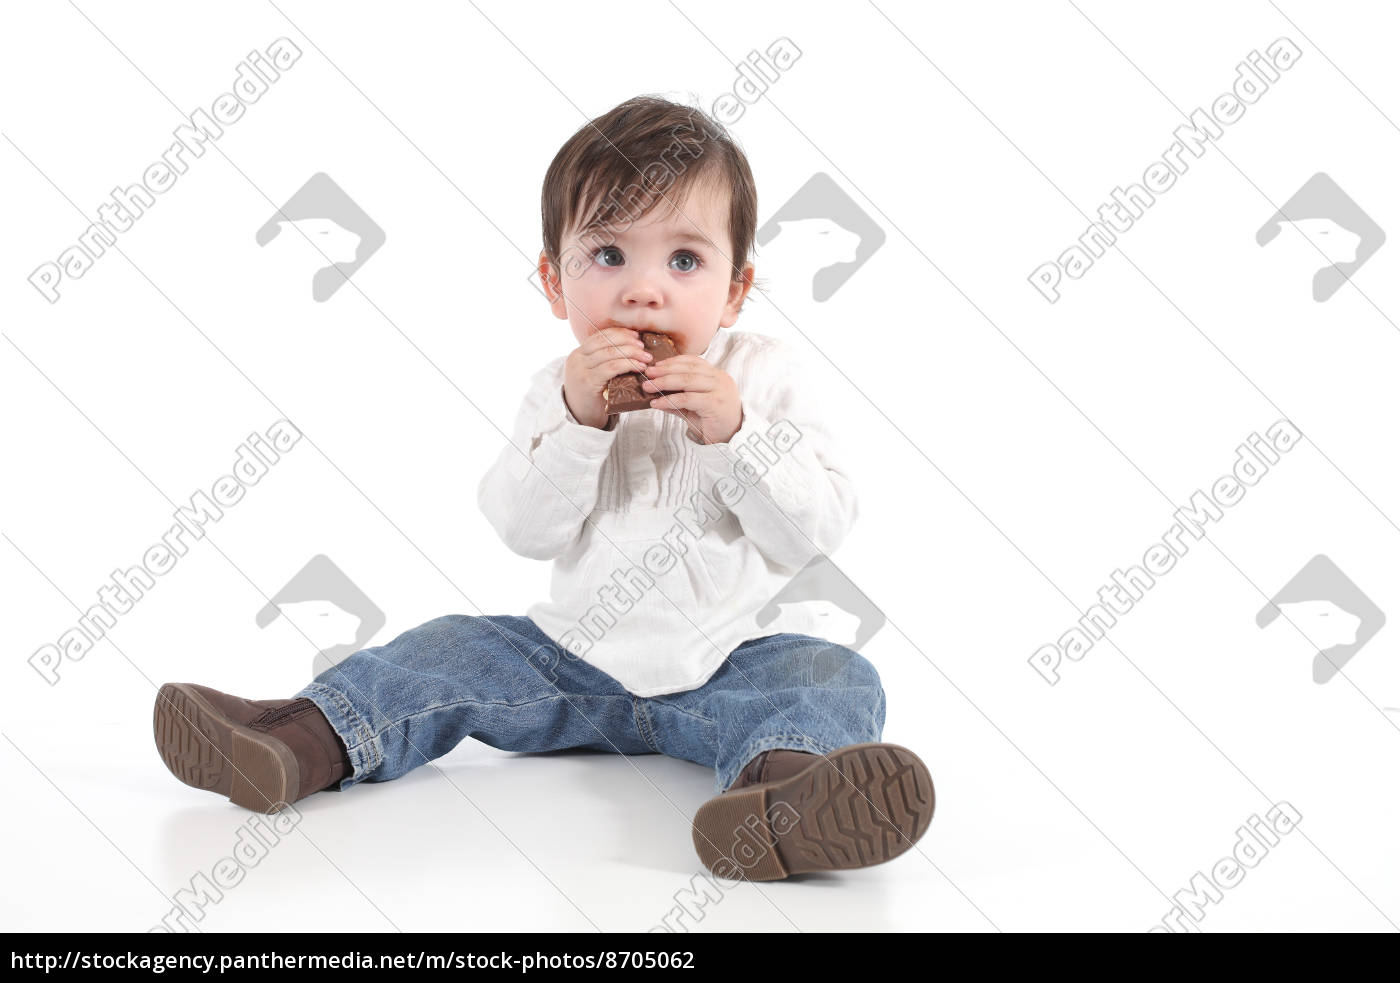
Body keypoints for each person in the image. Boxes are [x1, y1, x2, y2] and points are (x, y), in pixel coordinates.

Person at [153, 94, 933, 882]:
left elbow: (814, 532)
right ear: (555, 282)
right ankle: (296, 741)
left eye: (685, 261)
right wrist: (578, 423)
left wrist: (739, 438)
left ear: (737, 289)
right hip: (568, 659)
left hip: (725, 666)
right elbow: (524, 529)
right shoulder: (556, 389)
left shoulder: (764, 380)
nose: (644, 290)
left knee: (834, 674)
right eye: (607, 256)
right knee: (449, 646)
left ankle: (782, 797)